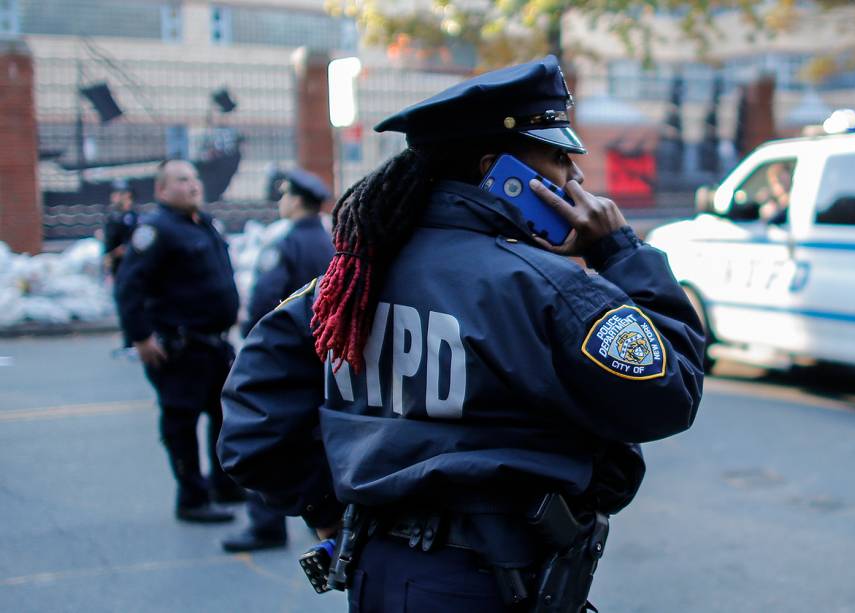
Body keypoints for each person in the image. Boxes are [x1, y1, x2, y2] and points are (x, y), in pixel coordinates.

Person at [219, 56, 704, 611]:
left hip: (377, 576)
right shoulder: (544, 285)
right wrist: (620, 250)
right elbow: (673, 390)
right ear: (496, 171)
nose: (575, 177)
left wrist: (335, 513)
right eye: (556, 156)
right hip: (488, 585)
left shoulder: (343, 285)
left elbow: (252, 432)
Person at [116, 159, 244, 523]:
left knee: (225, 417)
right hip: (182, 348)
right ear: (162, 190)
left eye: (194, 178)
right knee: (182, 423)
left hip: (214, 345)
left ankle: (224, 484)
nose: (193, 185)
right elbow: (129, 287)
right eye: (182, 180)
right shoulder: (156, 230)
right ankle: (192, 498)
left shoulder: (201, 223)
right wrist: (140, 337)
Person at [222, 168, 334, 552]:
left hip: (290, 355)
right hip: (329, 356)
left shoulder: (284, 244)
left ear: (296, 201)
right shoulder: (328, 240)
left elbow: (263, 303)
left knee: (274, 433)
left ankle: (266, 524)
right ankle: (323, 514)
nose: (281, 201)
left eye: (285, 195)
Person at [102, 178, 137, 277]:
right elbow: (109, 250)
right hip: (118, 268)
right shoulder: (112, 219)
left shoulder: (134, 217)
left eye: (121, 193)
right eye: (115, 194)